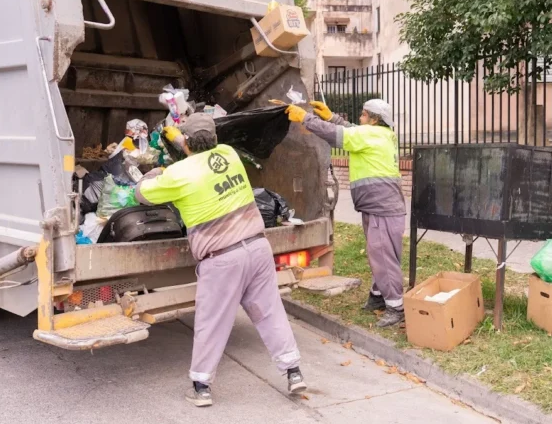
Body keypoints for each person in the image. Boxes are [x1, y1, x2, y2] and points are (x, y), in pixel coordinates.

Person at [135, 113, 307, 407]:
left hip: (222, 258)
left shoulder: (178, 175)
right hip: (257, 248)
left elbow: (142, 196)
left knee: (212, 321)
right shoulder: (228, 154)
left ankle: (201, 386)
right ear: (214, 139)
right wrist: (176, 134)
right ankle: (293, 372)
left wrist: (153, 175)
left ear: (188, 142)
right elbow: (198, 151)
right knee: (269, 312)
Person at [285, 99, 406, 327]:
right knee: (380, 253)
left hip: (382, 208)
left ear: (374, 119)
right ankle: (379, 297)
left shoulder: (371, 136)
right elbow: (351, 130)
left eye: (362, 114)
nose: (359, 118)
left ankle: (396, 308)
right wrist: (332, 117)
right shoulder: (380, 134)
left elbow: (335, 135)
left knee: (383, 256)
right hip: (380, 207)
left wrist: (305, 118)